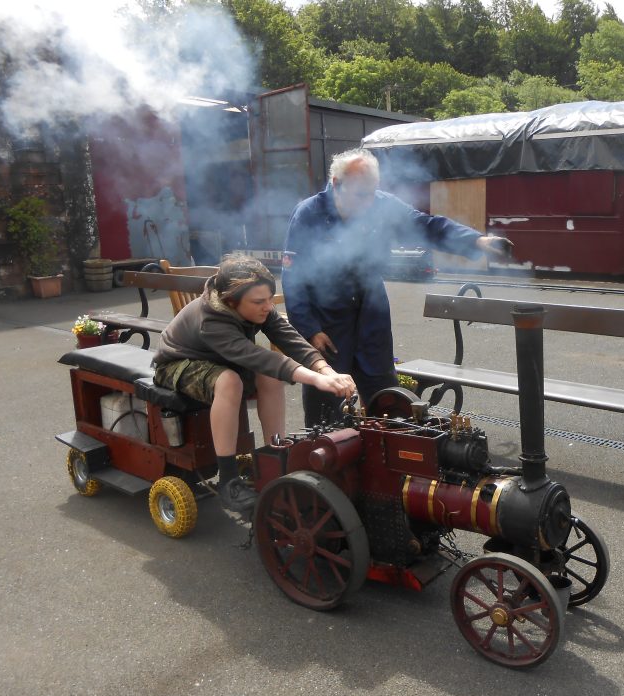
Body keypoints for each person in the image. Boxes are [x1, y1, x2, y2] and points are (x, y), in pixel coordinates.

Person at [283, 148, 512, 426]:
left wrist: (478, 242)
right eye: (359, 195)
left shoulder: (381, 204)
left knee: (385, 396)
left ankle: (387, 458)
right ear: (335, 184)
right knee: (329, 403)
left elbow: (427, 226)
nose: (368, 203)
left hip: (371, 313)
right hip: (328, 322)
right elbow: (293, 279)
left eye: (372, 193)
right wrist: (310, 329)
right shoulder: (308, 213)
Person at [152, 255, 356, 515]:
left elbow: (288, 337)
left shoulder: (256, 305)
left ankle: (277, 455)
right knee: (230, 382)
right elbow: (259, 357)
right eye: (259, 302)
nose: (268, 307)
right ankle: (228, 481)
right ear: (231, 302)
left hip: (223, 359)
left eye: (270, 298)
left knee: (268, 375)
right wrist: (317, 380)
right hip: (178, 363)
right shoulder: (212, 319)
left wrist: (325, 369)